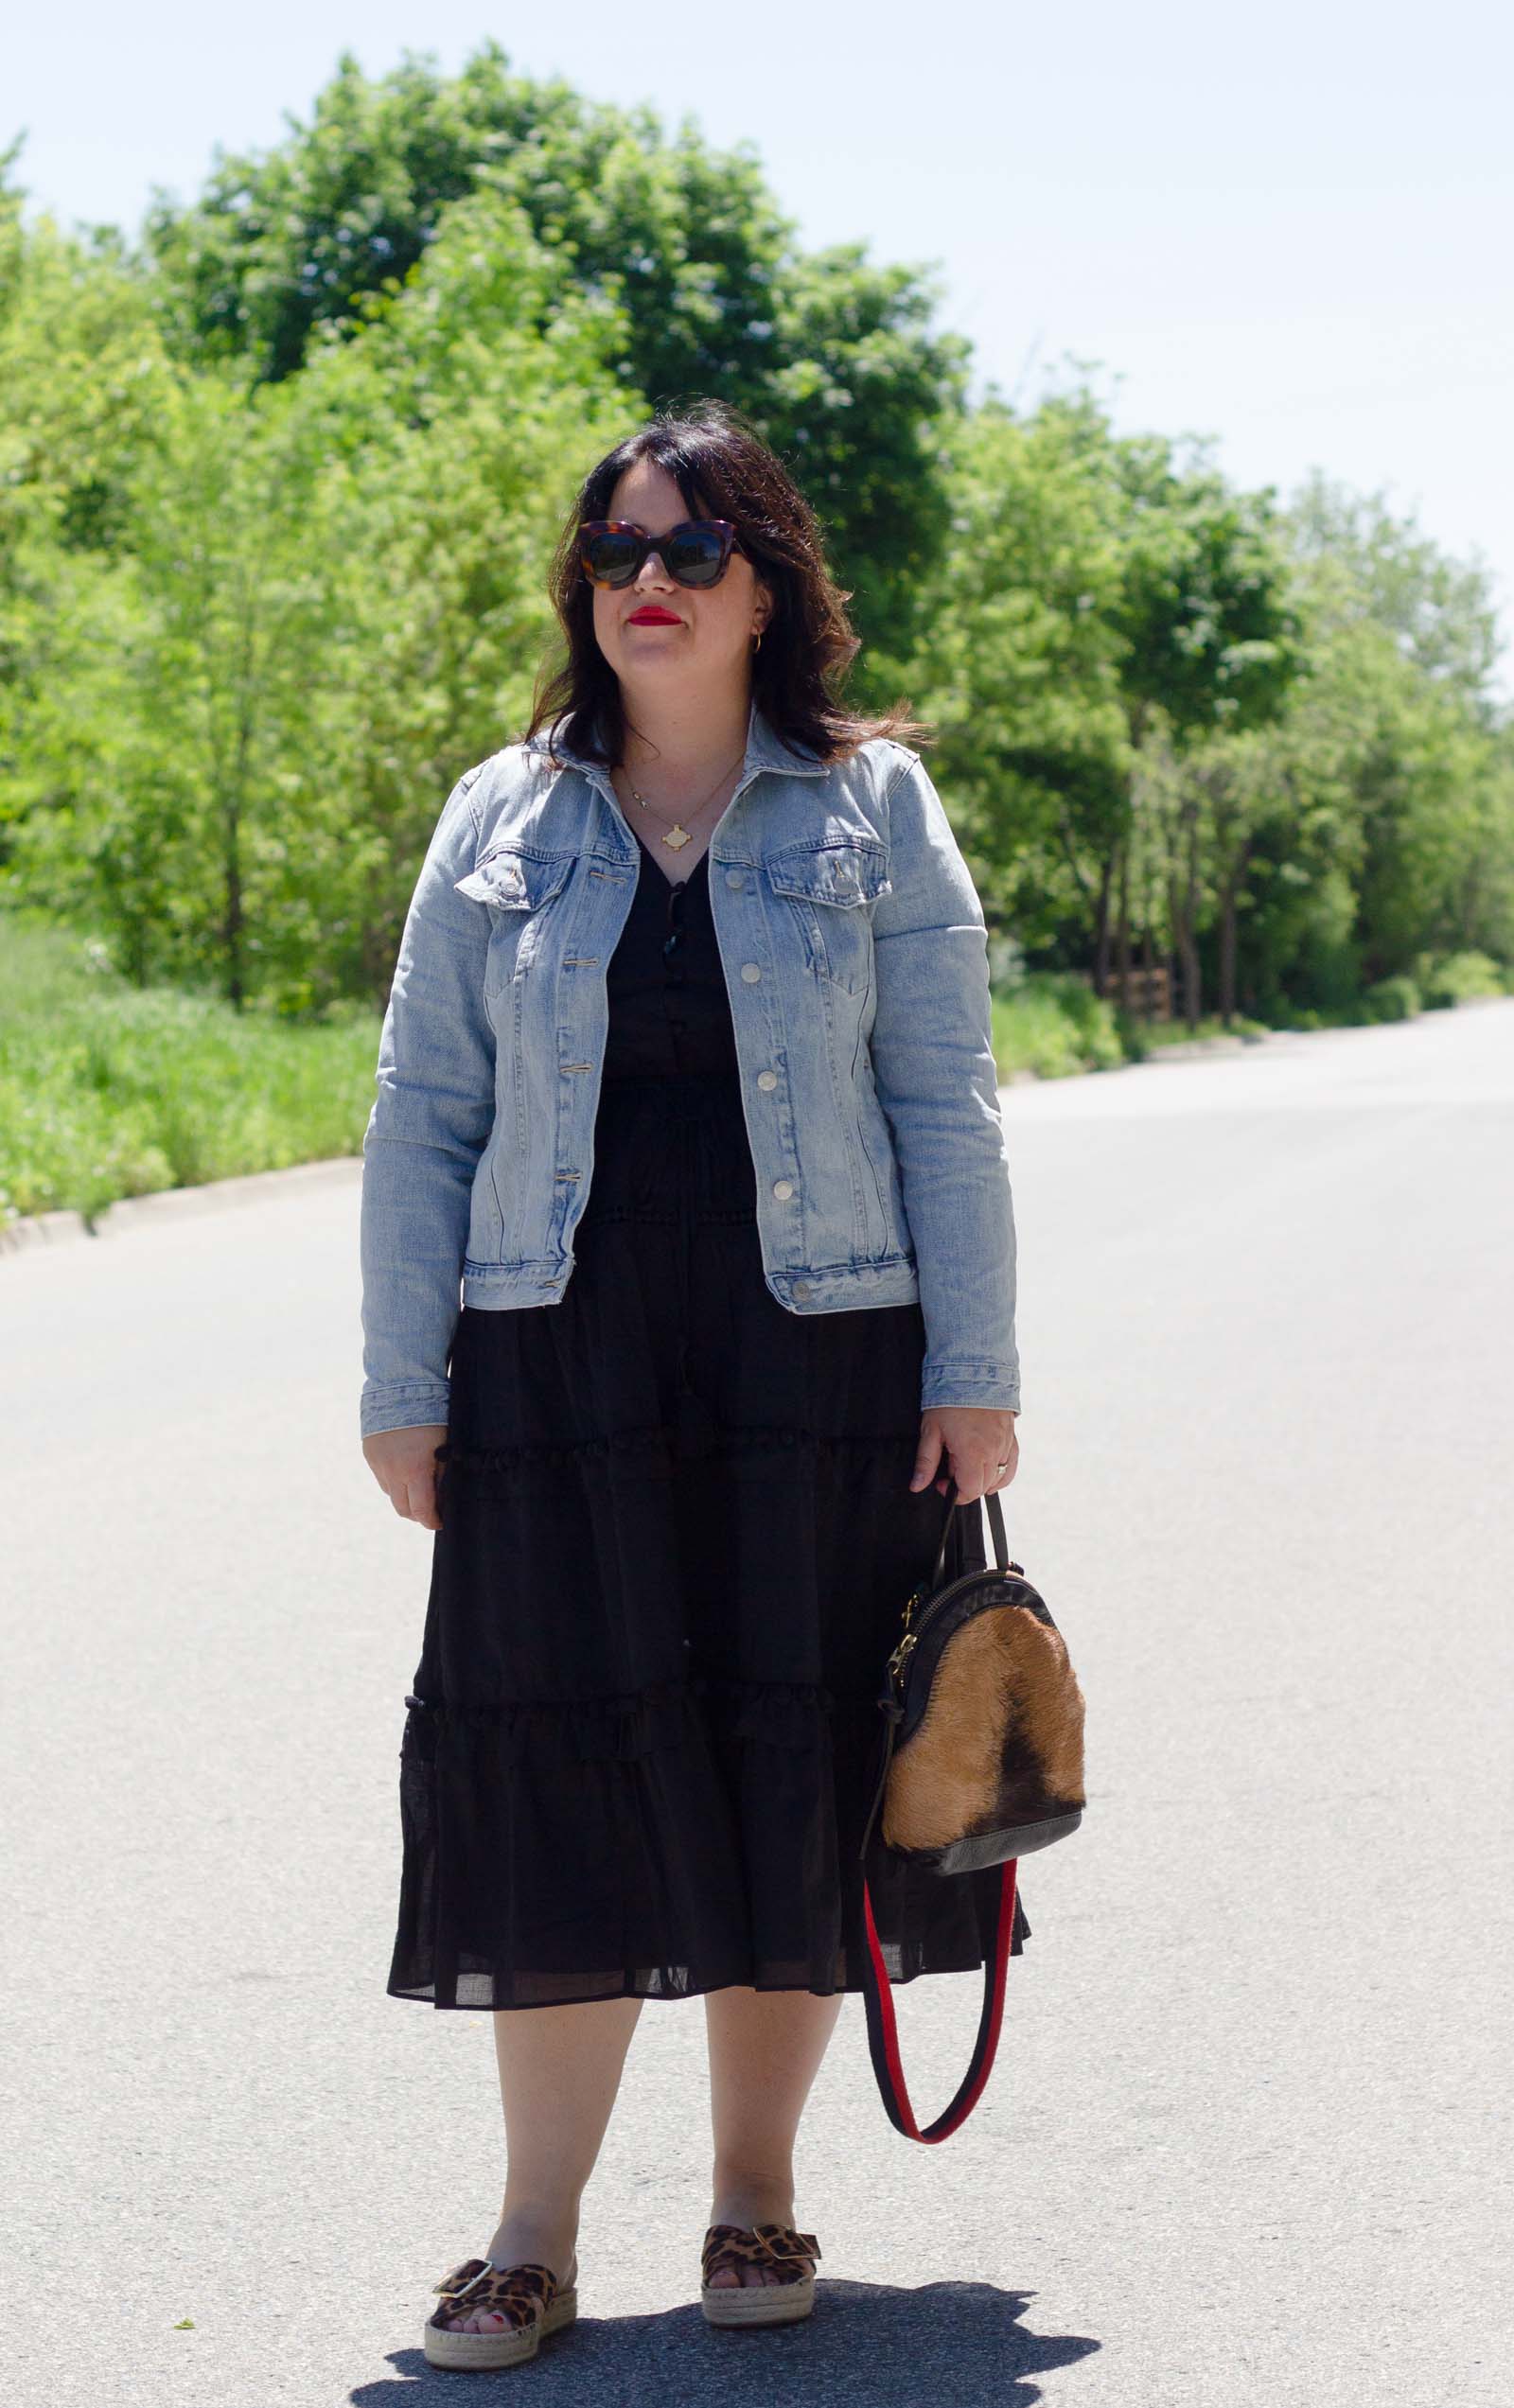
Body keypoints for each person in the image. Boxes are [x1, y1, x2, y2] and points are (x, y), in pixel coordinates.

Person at [359, 400, 1025, 2371]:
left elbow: (940, 1102)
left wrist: (973, 1372)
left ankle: (750, 2197)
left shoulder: (865, 812)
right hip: (550, 1346)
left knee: (788, 1758)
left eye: (688, 551)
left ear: (764, 584)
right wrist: (405, 1379)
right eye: (614, 550)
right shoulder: (499, 814)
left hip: (814, 1352)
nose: (644, 581)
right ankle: (529, 2229)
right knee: (551, 1763)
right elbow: (419, 1115)